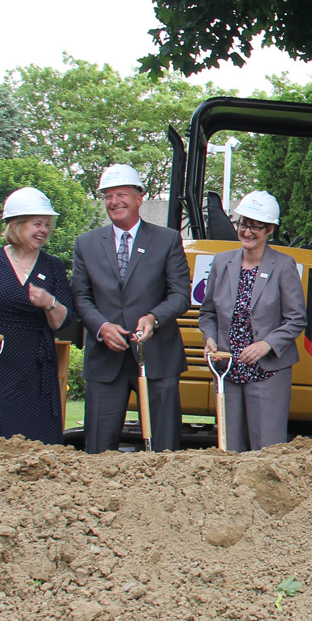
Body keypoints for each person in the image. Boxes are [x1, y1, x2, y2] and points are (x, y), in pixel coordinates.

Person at [71, 163, 191, 452]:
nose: (114, 202)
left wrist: (154, 318)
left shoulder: (167, 240)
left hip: (157, 357)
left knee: (164, 447)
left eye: (121, 194)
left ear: (140, 197)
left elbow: (180, 294)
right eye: (108, 196)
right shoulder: (85, 244)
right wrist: (101, 327)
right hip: (105, 361)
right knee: (98, 448)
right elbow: (80, 297)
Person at [0, 187, 74, 443]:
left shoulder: (52, 266)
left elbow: (63, 321)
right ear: (17, 225)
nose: (43, 230)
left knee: (32, 430)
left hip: (34, 362)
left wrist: (49, 302)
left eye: (47, 224)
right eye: (37, 224)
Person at [197, 191, 307, 450]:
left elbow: (296, 319)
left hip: (266, 370)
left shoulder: (283, 265)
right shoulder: (222, 262)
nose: (247, 232)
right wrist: (209, 338)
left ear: (269, 229)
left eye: (255, 227)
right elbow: (208, 312)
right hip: (228, 368)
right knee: (229, 446)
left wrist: (266, 344)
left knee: (266, 447)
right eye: (243, 224)